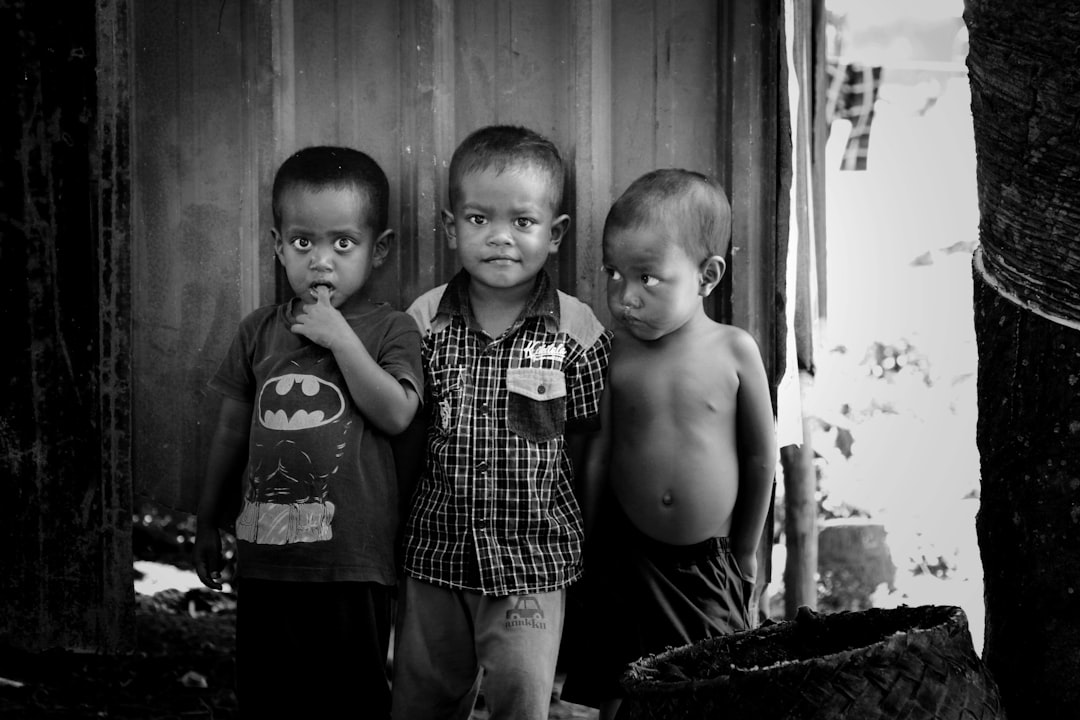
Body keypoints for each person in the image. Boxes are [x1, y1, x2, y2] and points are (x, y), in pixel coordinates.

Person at [390, 125, 612, 720]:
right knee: (421, 703)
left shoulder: (578, 330)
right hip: (434, 554)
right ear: (450, 226)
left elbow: (589, 448)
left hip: (532, 565)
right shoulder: (424, 320)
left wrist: (582, 543)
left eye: (522, 222)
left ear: (555, 232)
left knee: (522, 702)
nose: (499, 238)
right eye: (478, 219)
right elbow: (409, 436)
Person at [194, 145, 423, 719]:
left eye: (343, 244)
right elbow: (229, 432)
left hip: (353, 563)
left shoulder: (392, 330)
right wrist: (206, 518)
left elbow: (397, 413)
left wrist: (338, 336)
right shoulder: (259, 332)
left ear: (380, 250)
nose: (321, 262)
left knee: (352, 701)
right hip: (267, 559)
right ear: (278, 245)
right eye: (303, 243)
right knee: (269, 697)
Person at [562, 168, 777, 719]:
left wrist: (746, 549)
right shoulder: (611, 353)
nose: (623, 296)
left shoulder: (735, 351)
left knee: (710, 690)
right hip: (622, 556)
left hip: (706, 565)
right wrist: (584, 543)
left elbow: (759, 459)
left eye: (647, 278)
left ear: (707, 276)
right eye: (613, 273)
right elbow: (599, 454)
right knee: (618, 687)